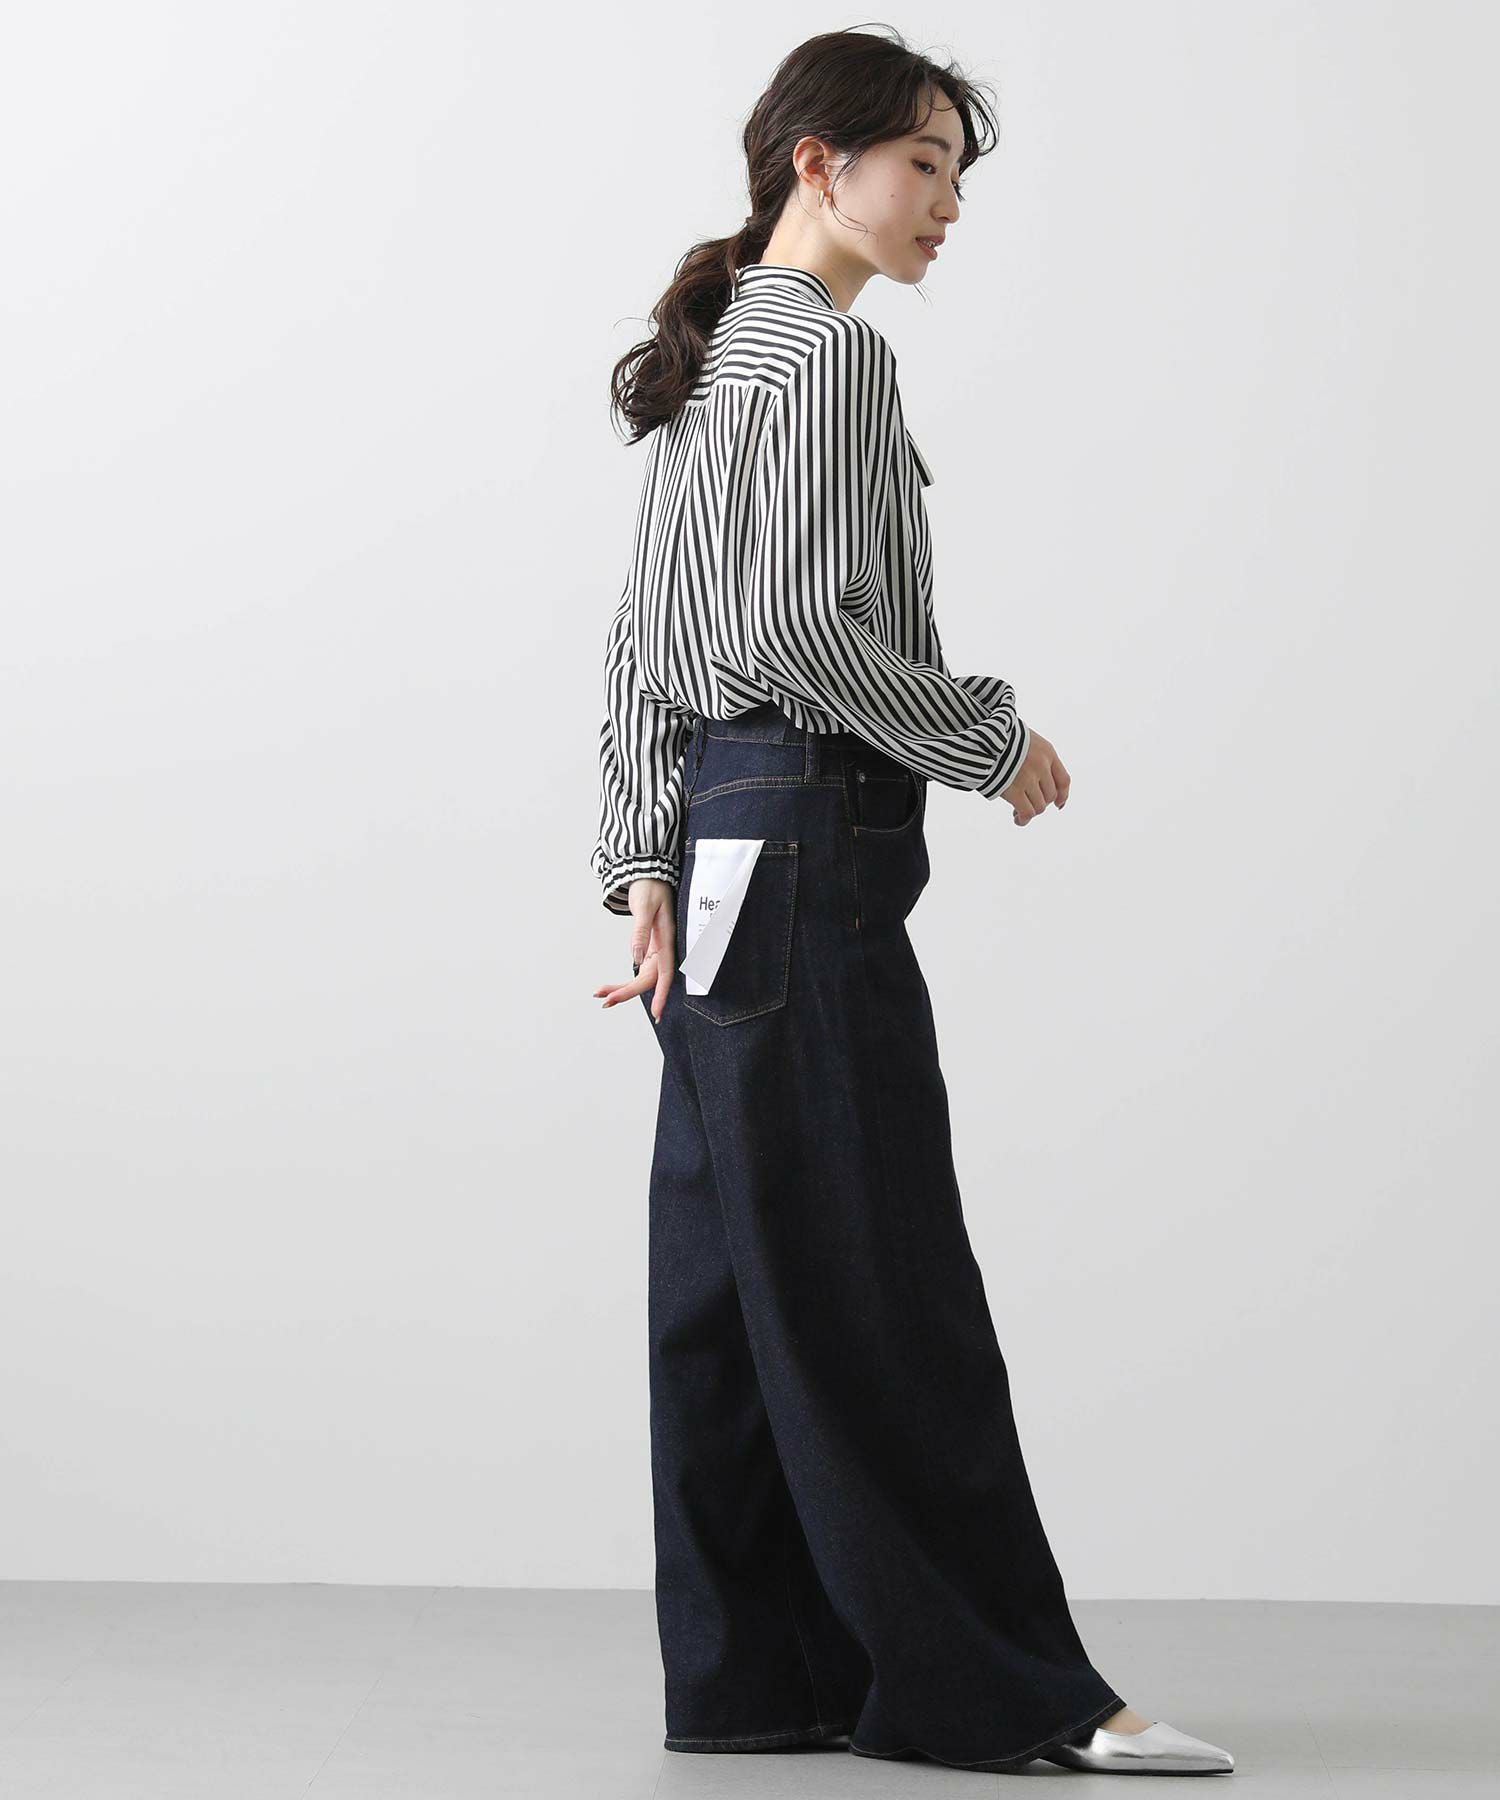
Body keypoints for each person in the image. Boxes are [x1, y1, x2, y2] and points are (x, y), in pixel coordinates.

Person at [588, 27, 1235, 1779]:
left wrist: (645, 863)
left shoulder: (720, 353)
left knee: (730, 1282)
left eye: (958, 170)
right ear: (820, 164)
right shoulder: (823, 360)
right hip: (803, 835)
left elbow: (645, 648)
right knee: (879, 1273)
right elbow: (794, 634)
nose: (949, 202)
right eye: (925, 163)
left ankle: (761, 1680)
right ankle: (1008, 1691)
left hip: (726, 845)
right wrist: (987, 735)